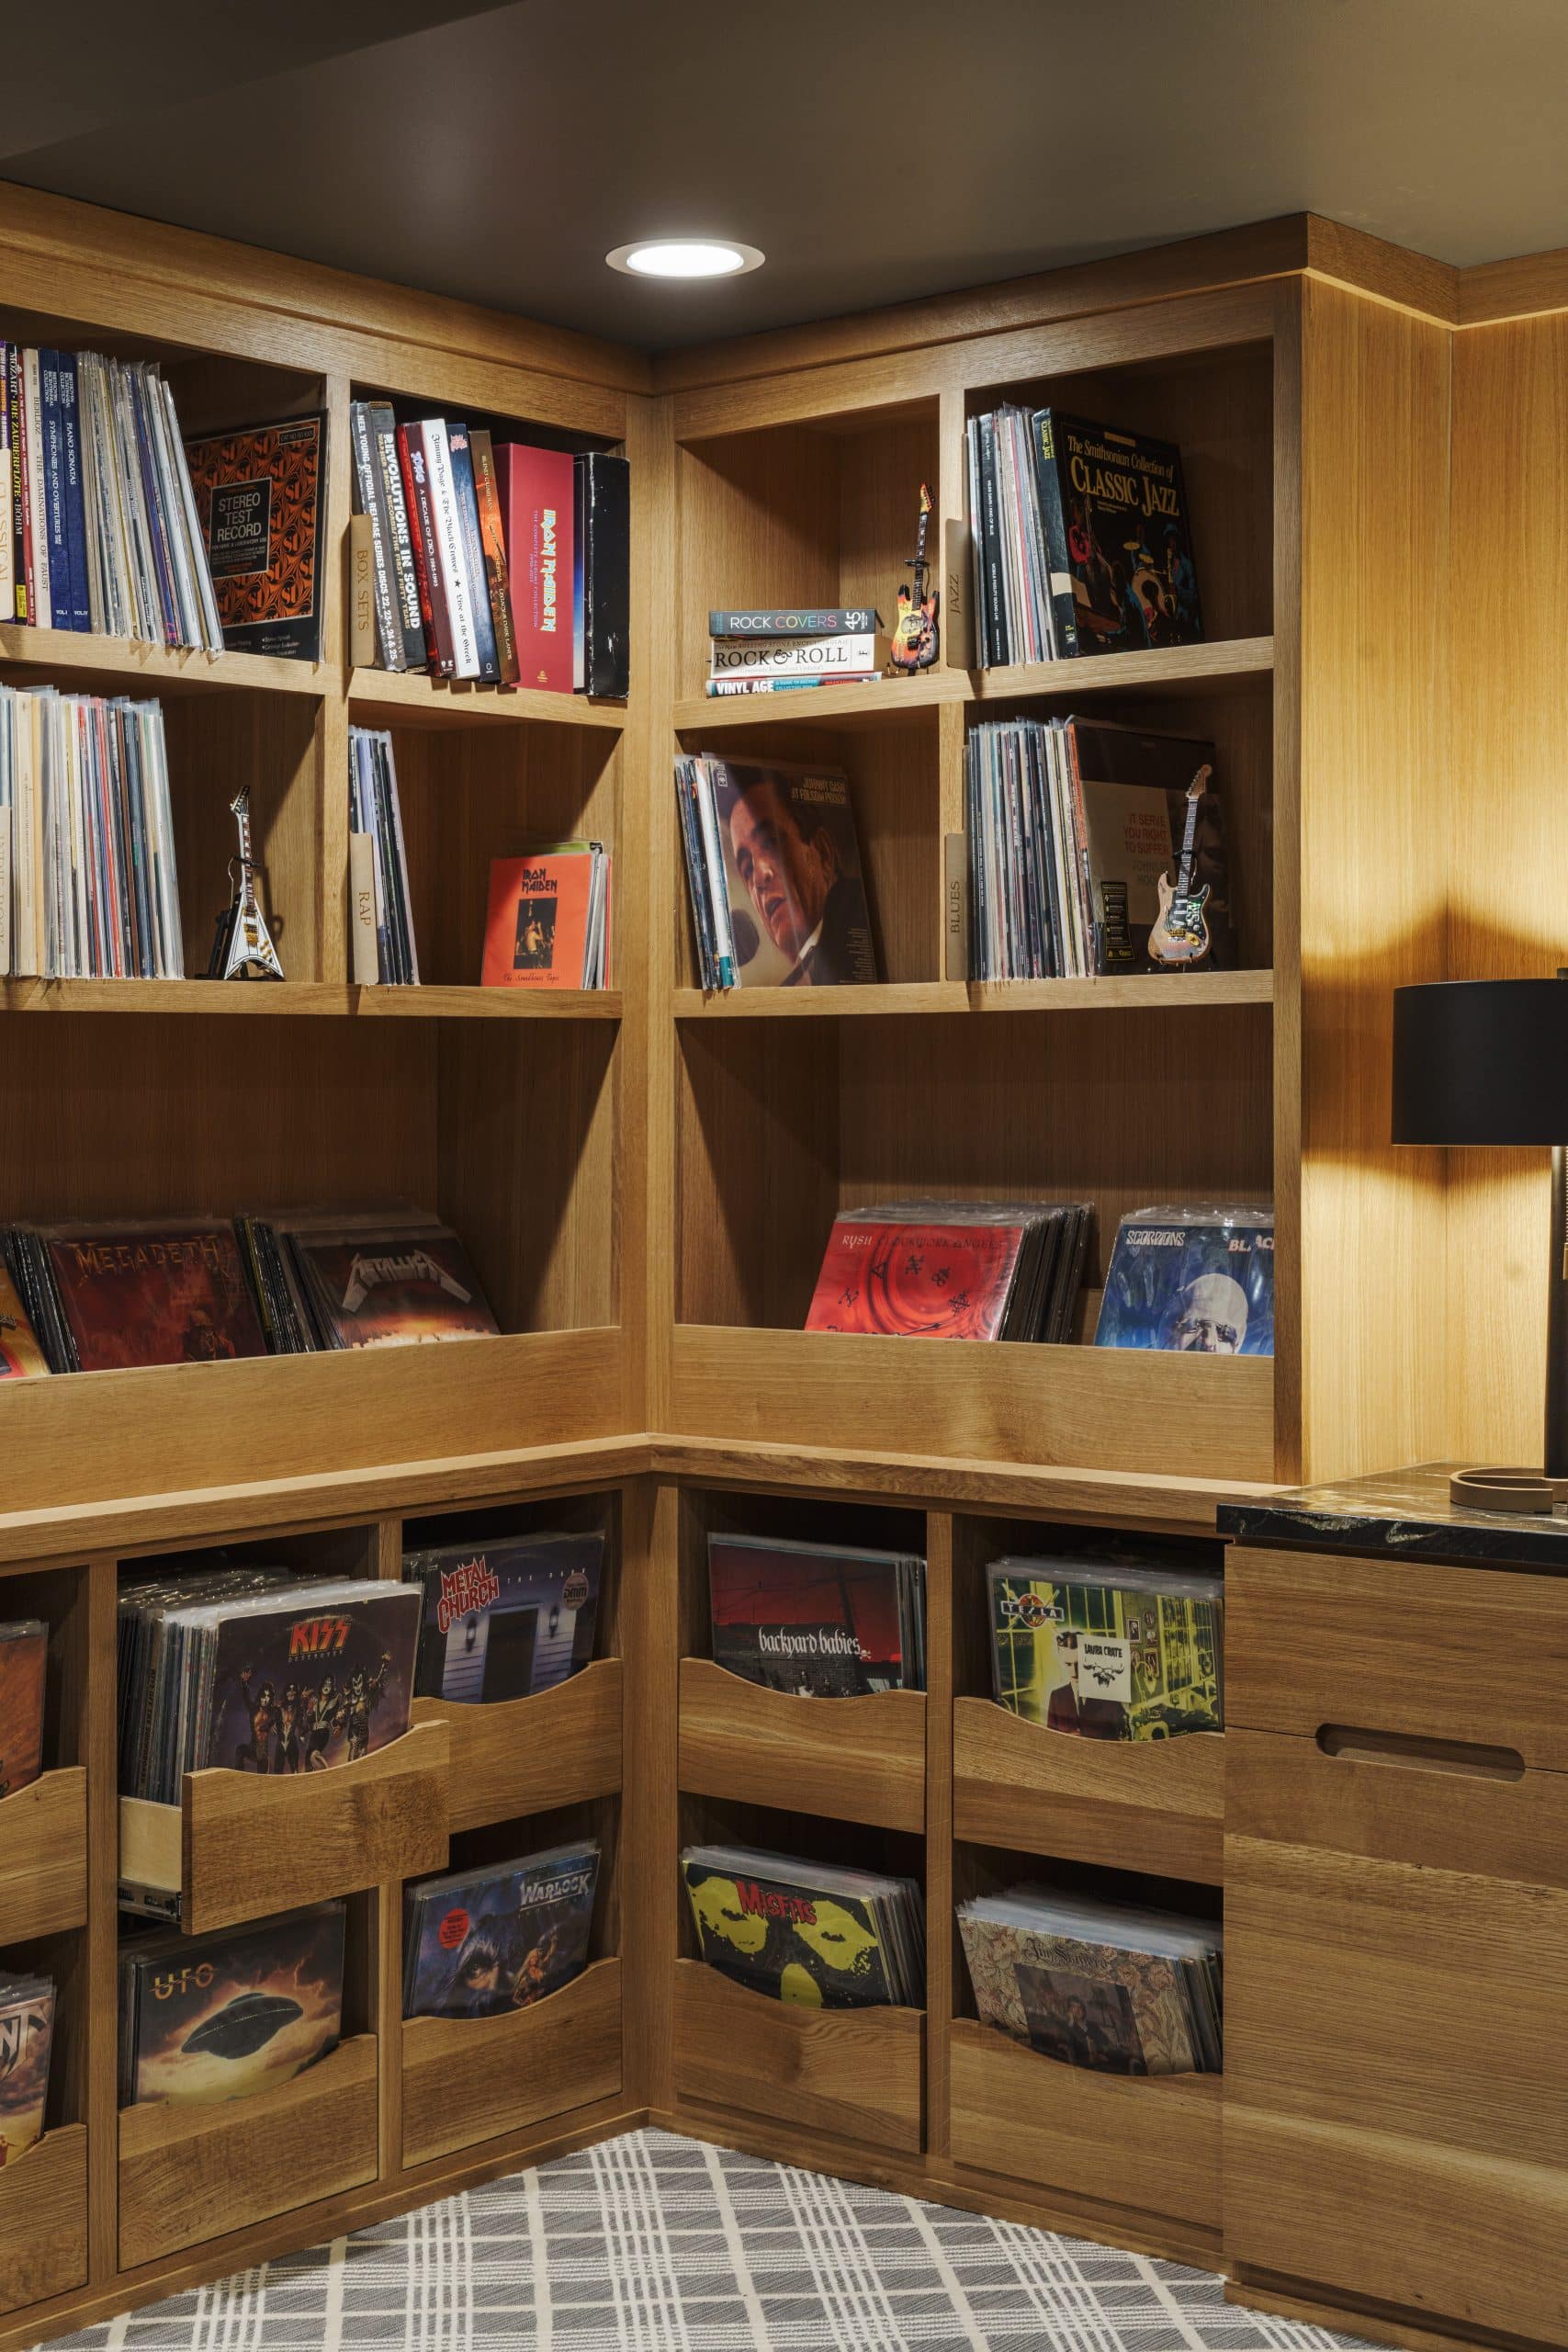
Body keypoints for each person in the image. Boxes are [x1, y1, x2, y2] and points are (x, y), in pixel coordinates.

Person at [725, 774, 874, 986]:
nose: (759, 877)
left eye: (771, 843)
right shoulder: (792, 982)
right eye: (748, 869)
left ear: (822, 853)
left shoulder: (856, 912)